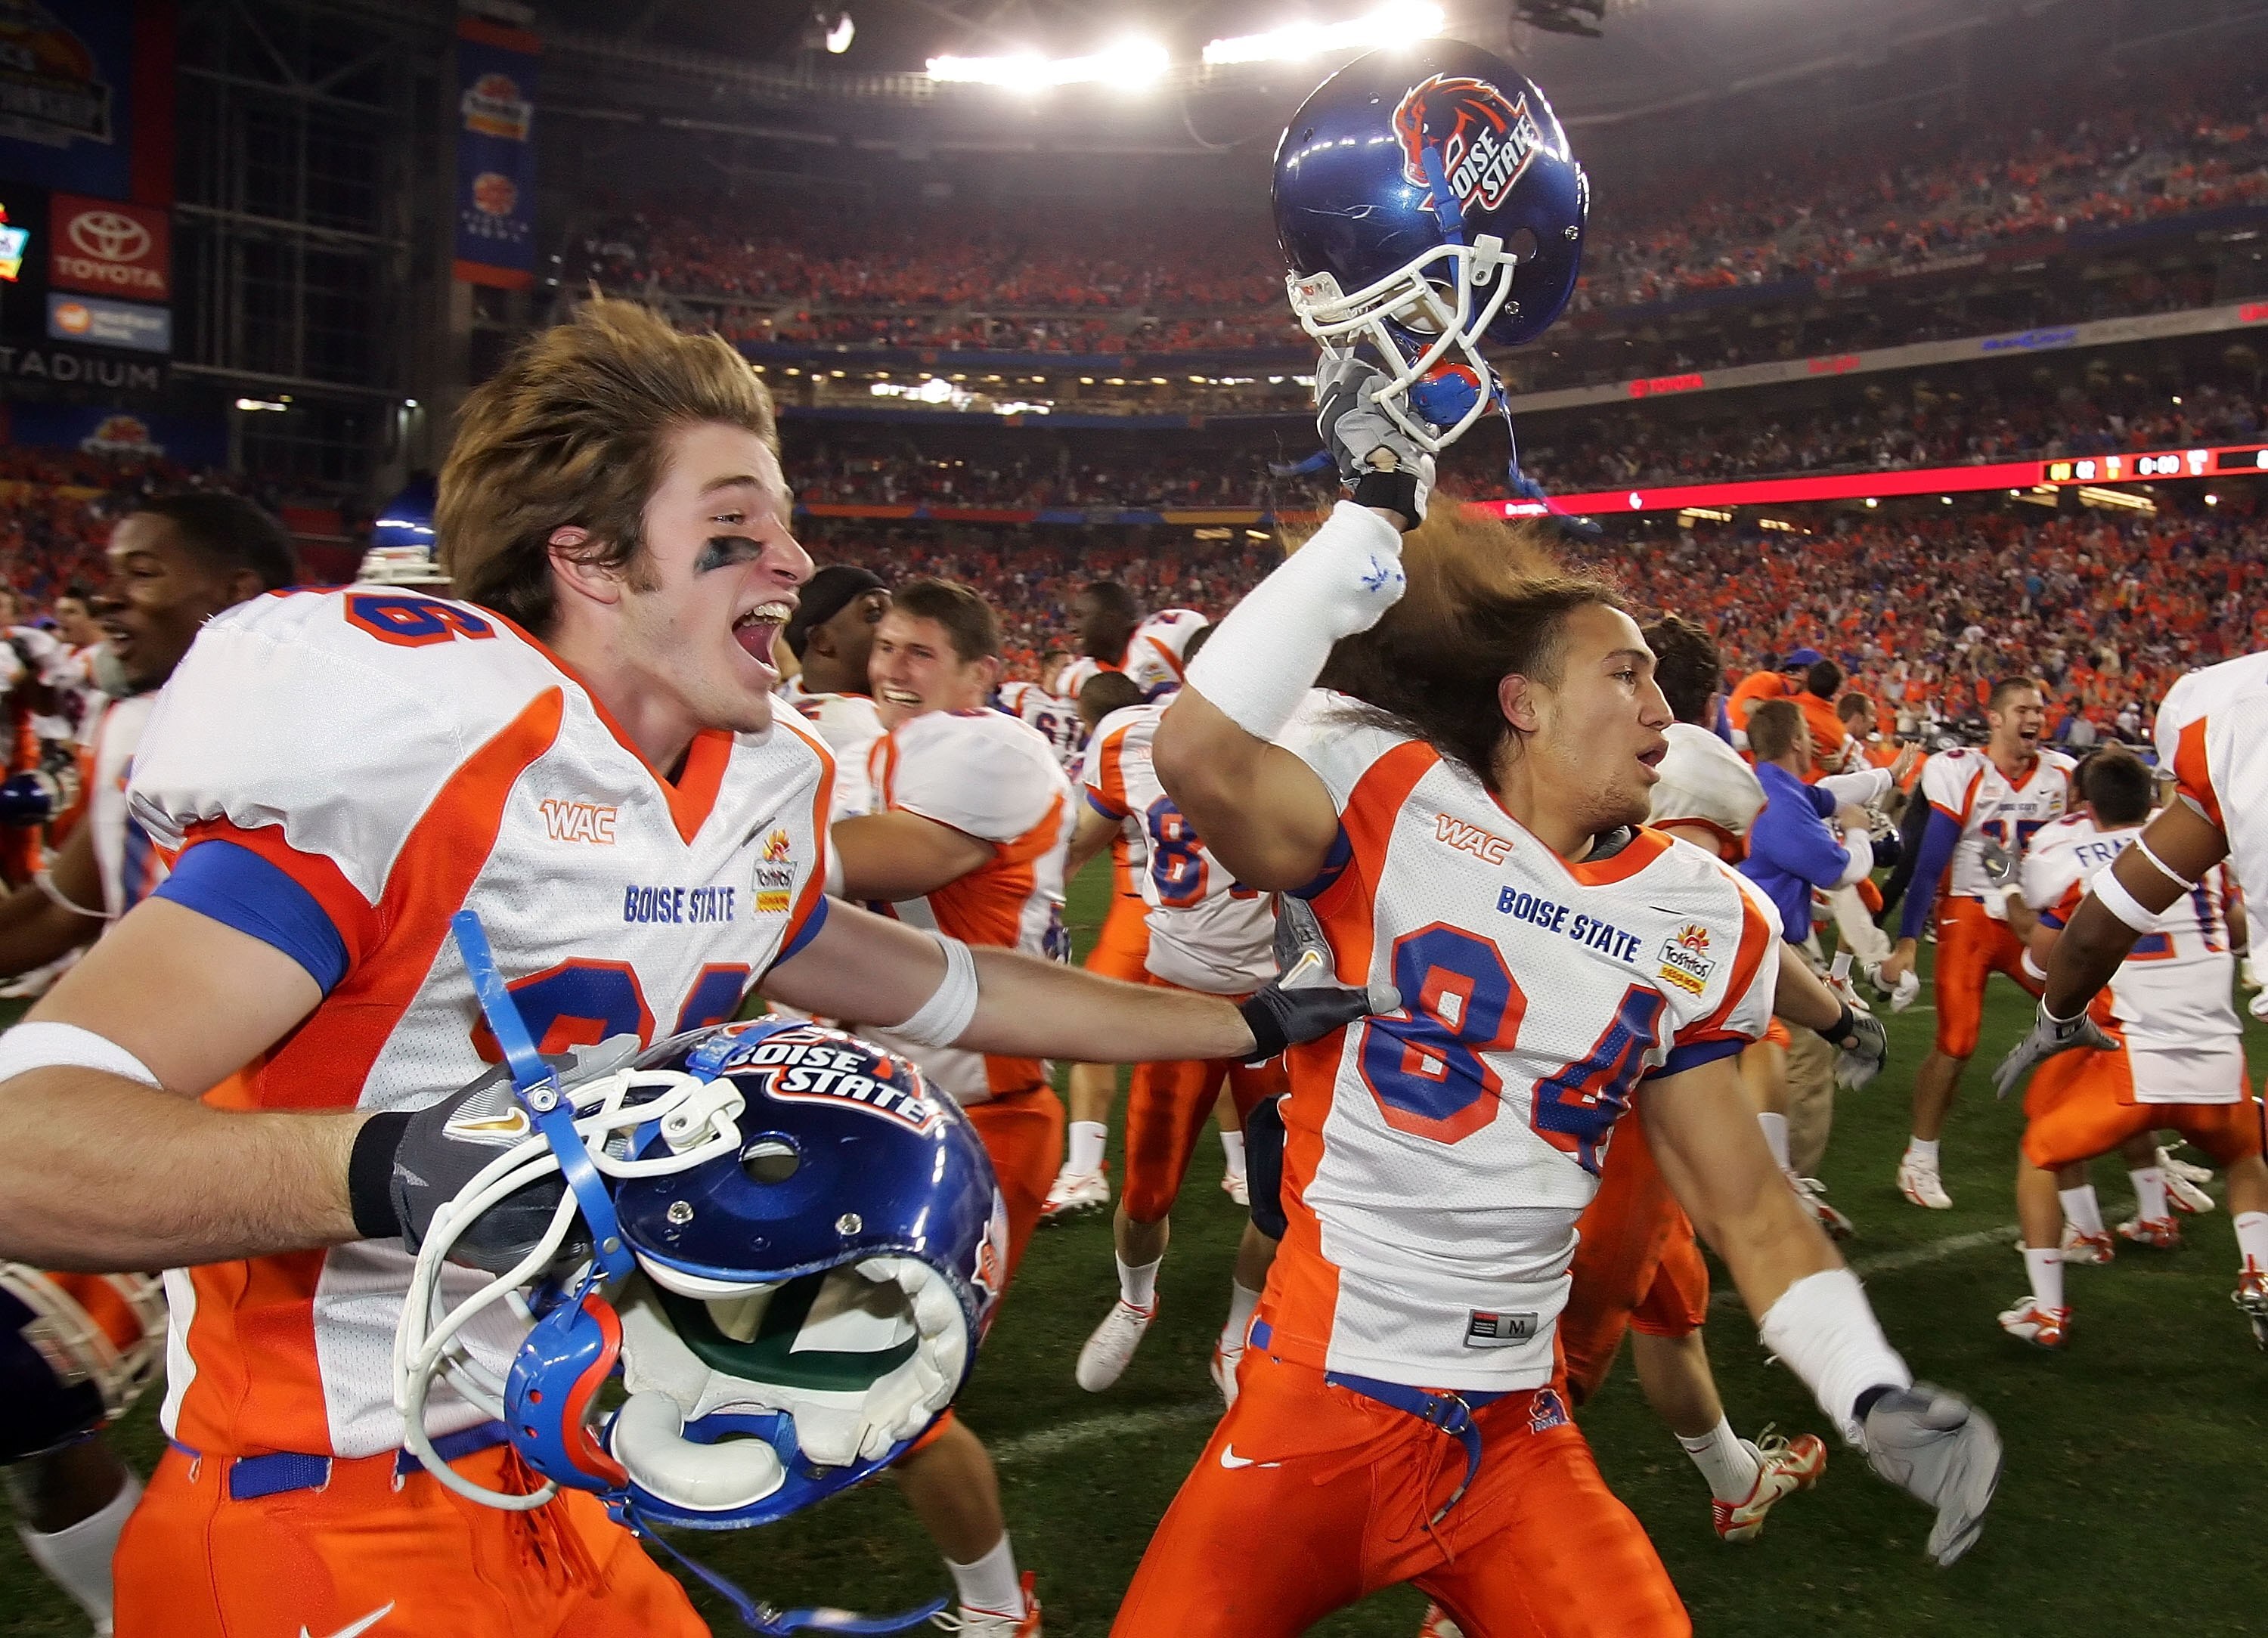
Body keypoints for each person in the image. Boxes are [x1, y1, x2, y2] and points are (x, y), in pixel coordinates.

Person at [0, 299, 1376, 1638]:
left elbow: (948, 985)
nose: (790, 562)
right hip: (328, 1495)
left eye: (778, 520)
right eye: (733, 529)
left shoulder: (743, 789)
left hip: (562, 1478)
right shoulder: (436, 747)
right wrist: (411, 1167)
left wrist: (1236, 1022)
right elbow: (26, 1138)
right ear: (592, 559)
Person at [1115, 357, 1997, 1636]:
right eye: (1625, 675)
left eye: (1656, 678)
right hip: (1320, 1391)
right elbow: (1197, 751)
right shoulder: (1391, 795)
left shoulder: (1708, 914)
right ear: (1520, 704)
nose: (1662, 705)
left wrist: (1869, 1387)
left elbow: (1747, 1202)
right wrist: (1366, 514)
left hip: (1511, 1431)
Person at [0, 495, 298, 1638]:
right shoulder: (133, 729)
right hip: (116, 1099)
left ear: (228, 596)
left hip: (257, 1131)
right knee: (26, 1399)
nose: (110, 593)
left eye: (143, 573)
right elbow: (64, 907)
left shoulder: (330, 742)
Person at [830, 575, 1076, 1634]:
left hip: (980, 1116)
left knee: (891, 1387)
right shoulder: (860, 738)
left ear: (980, 673)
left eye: (922, 652)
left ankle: (997, 1606)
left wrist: (702, 847)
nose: (893, 666)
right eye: (885, 646)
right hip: (875, 1098)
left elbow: (878, 858)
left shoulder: (988, 745)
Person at [1996, 653, 2268, 1346]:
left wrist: (2047, 995)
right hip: (2220, 1067)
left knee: (2039, 1150)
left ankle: (2049, 1309)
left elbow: (2066, 949)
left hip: (2135, 1069)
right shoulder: (2211, 867)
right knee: (2245, 1158)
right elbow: (2235, 928)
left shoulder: (2087, 853)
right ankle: (2257, 1273)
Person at [1070, 622, 1286, 1407]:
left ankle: (1238, 1332)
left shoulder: (1309, 741)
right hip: (1177, 1004)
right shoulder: (1129, 740)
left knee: (1280, 1198)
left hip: (1282, 1011)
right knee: (1145, 1192)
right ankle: (1135, 1299)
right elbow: (1079, 840)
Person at [1879, 678, 2073, 1209]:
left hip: (2030, 915)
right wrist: (1908, 941)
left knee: (2096, 1018)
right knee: (1958, 1040)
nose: (2034, 716)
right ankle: (1919, 1157)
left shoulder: (2063, 774)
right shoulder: (1962, 771)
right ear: (1994, 717)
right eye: (2022, 708)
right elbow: (1930, 866)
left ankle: (2150, 1161)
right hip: (1971, 909)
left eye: (2040, 707)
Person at [1044, 669, 1154, 1222]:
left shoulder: (1116, 739)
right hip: (1214, 917)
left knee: (1091, 1032)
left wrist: (1049, 886)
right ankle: (1243, 1169)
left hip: (1141, 913)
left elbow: (1090, 832)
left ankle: (1085, 1169)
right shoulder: (1194, 728)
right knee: (1228, 1043)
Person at [777, 562, 888, 818]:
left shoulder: (792, 691)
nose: (892, 628)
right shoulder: (862, 728)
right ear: (822, 640)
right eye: (874, 613)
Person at [997, 646, 1086, 773]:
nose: (1071, 672)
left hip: (1065, 774)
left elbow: (1086, 743)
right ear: (1050, 667)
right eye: (1066, 666)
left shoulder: (1078, 703)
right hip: (1029, 769)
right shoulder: (1022, 694)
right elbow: (1002, 729)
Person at [1725, 646, 1818, 748]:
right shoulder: (1769, 679)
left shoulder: (1792, 696)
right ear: (1804, 672)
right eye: (1819, 674)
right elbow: (1748, 706)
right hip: (1734, 749)